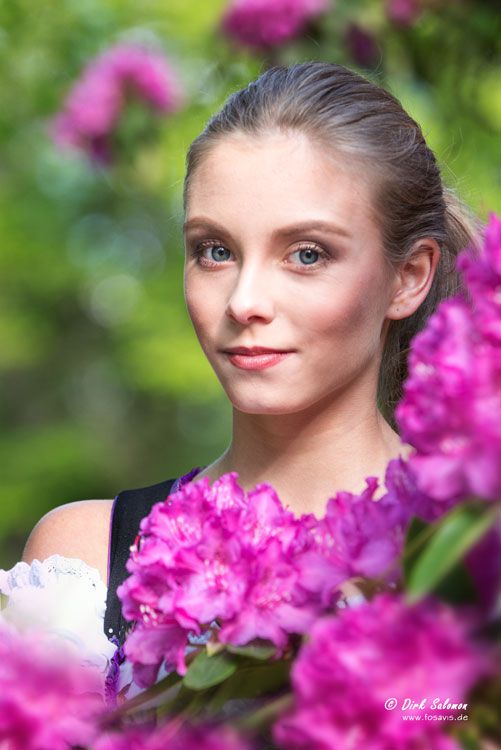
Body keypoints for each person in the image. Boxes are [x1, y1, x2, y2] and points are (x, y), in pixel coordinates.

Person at [4, 61, 481, 657]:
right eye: (215, 251)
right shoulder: (84, 561)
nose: (245, 301)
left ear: (407, 278)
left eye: (306, 254)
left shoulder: (476, 545)